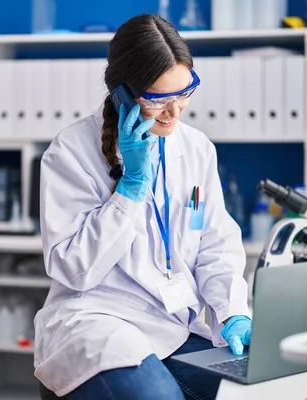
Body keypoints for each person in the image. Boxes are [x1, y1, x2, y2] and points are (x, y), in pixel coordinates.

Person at [34, 14, 252, 400]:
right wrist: (130, 188)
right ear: (121, 94)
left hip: (169, 323)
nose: (175, 111)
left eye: (185, 92)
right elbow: (72, 268)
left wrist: (233, 311)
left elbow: (215, 245)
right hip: (97, 324)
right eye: (158, 99)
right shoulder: (70, 152)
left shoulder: (197, 148)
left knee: (252, 388)